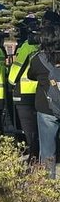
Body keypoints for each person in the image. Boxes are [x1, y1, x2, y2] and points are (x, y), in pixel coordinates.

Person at [26, 23, 60, 179]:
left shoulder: (38, 59)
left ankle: (49, 185)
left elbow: (30, 75)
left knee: (47, 150)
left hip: (47, 109)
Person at [9, 20, 40, 159]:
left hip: (24, 91)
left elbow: (17, 68)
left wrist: (10, 82)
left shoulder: (27, 46)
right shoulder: (43, 45)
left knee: (28, 127)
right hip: (39, 90)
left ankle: (32, 155)